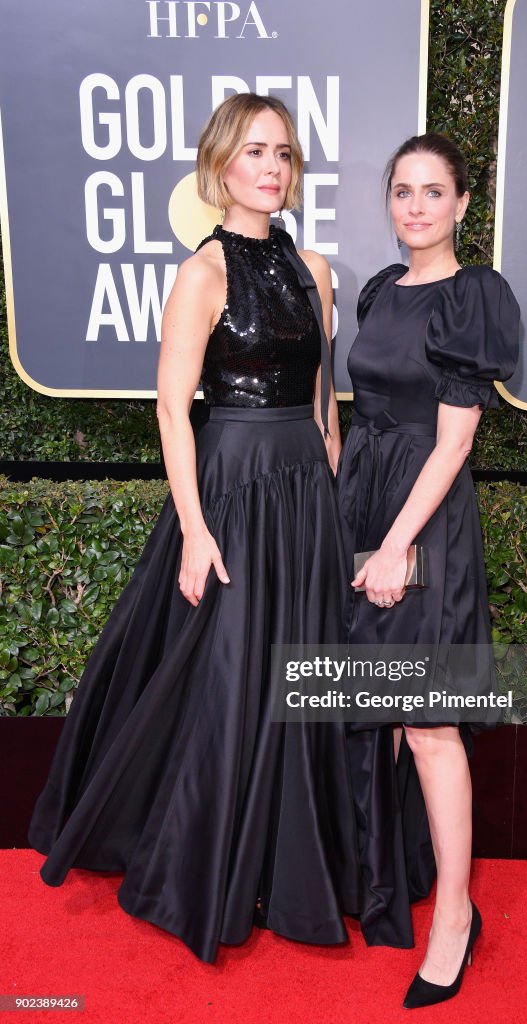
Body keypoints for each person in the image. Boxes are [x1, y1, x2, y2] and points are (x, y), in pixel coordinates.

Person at [28, 92, 365, 964]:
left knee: (301, 662)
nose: (272, 167)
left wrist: (330, 490)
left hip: (300, 487)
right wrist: (194, 528)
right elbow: (173, 411)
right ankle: (206, 859)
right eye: (255, 151)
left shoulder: (316, 268)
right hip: (235, 484)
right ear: (220, 165)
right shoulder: (203, 273)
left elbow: (326, 398)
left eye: (284, 153)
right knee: (228, 669)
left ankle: (292, 859)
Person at [335, 133, 520, 1008]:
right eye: (402, 191)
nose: (415, 206)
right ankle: (386, 878)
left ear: (460, 204)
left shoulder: (474, 295)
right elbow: (357, 408)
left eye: (432, 192)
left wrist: (398, 544)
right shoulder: (378, 289)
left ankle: (454, 916)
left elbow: (451, 443)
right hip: (364, 505)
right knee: (379, 715)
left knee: (428, 724)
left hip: (424, 522)